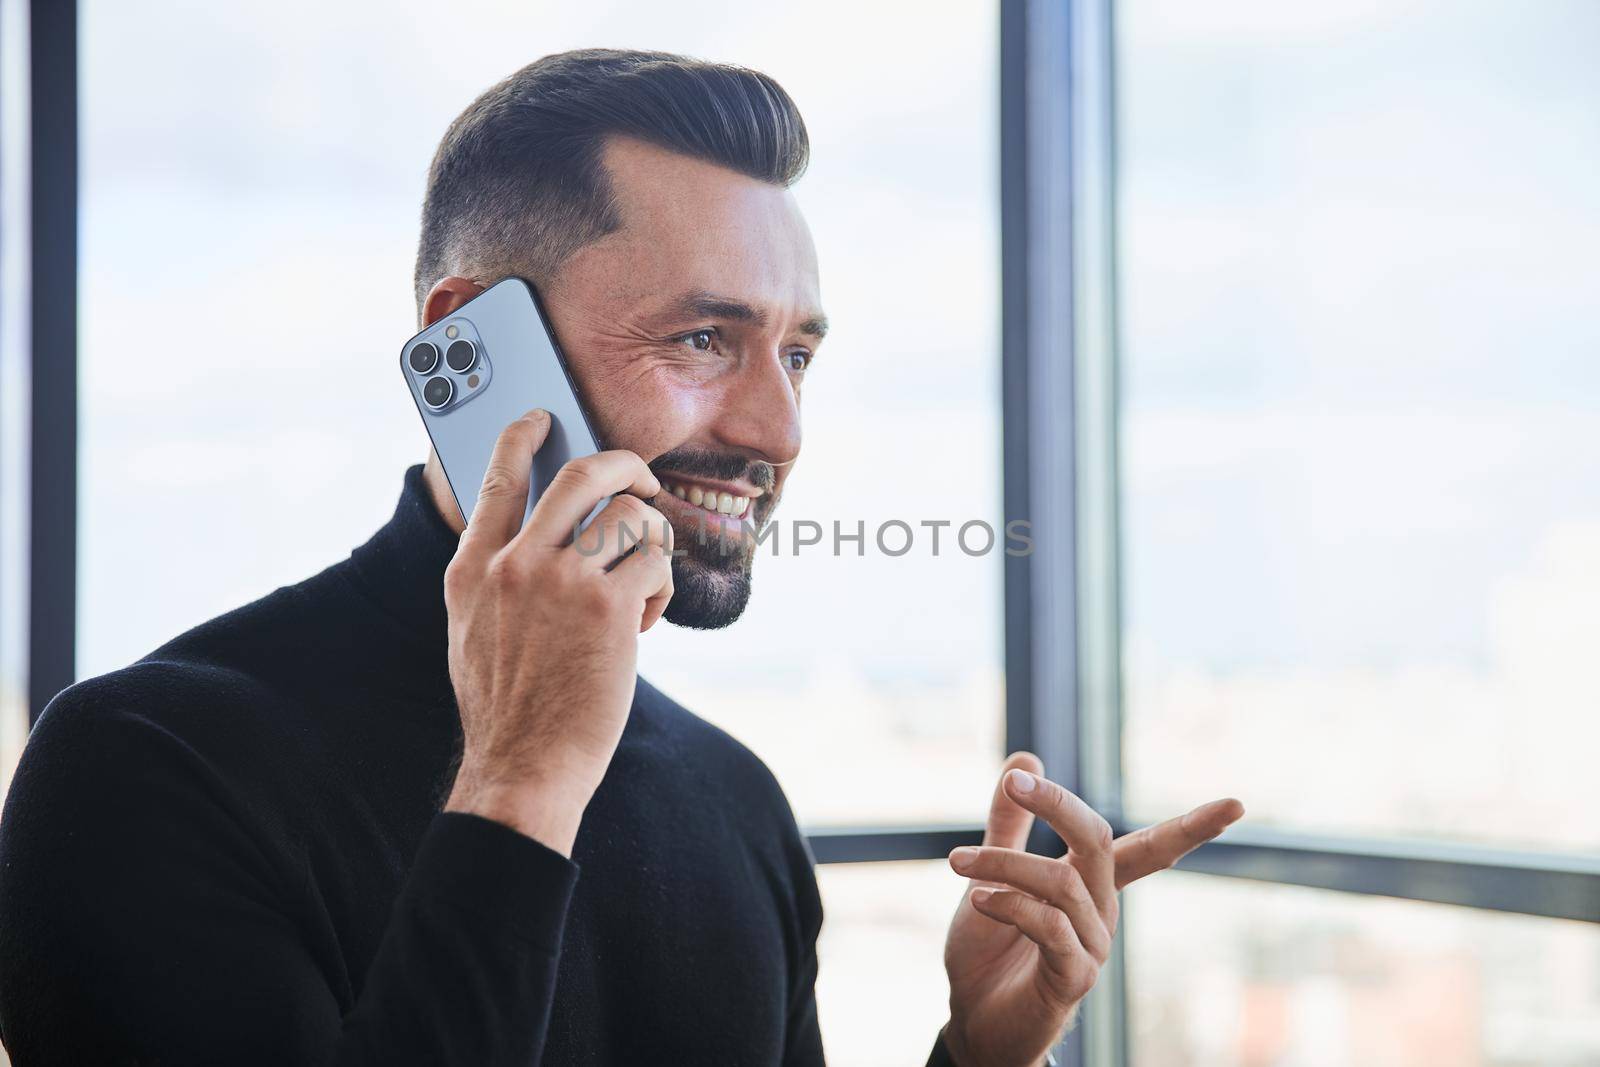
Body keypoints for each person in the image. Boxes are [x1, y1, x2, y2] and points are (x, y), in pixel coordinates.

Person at [0, 49, 1242, 1066]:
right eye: (706, 337)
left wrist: (975, 1059)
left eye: (797, 354)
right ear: (471, 343)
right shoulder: (143, 765)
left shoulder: (733, 798)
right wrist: (521, 782)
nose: (778, 430)